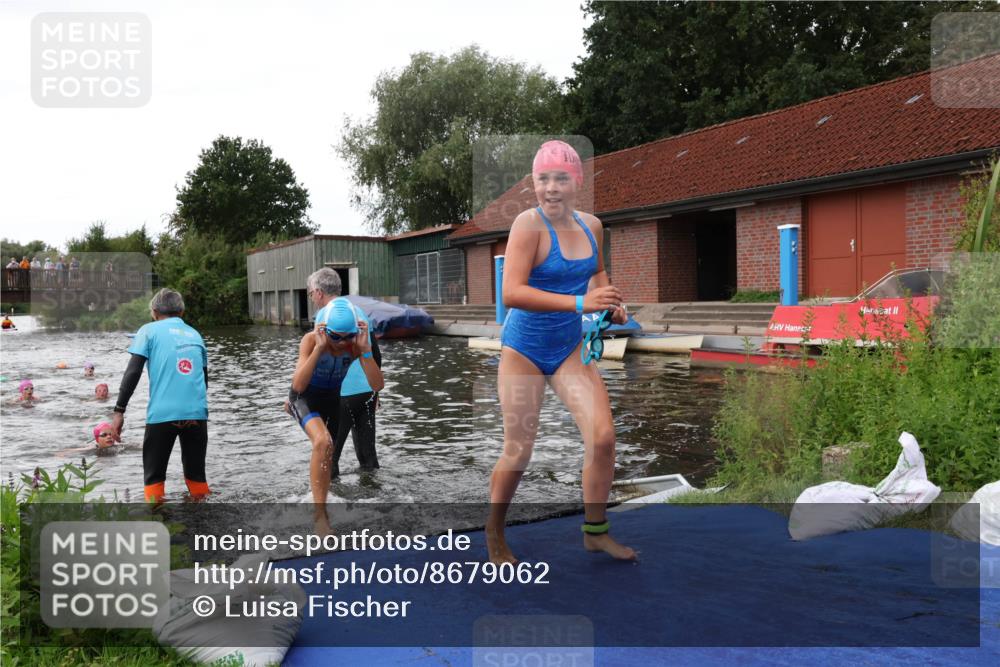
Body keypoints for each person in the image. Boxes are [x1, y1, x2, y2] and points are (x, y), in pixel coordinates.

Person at [487, 140, 635, 564]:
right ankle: (494, 533)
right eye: (543, 179)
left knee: (603, 438)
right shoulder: (526, 226)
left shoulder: (592, 227)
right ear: (534, 183)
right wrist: (581, 303)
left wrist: (610, 304)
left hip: (568, 348)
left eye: (561, 179)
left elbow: (597, 275)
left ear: (578, 183)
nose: (551, 188)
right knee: (519, 449)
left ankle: (595, 532)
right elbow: (511, 293)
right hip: (523, 350)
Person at [288, 293, 383, 534]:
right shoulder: (311, 340)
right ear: (324, 330)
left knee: (328, 453)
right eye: (335, 337)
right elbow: (298, 385)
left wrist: (366, 352)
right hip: (304, 398)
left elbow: (377, 385)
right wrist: (319, 349)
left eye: (347, 336)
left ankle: (320, 500)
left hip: (333, 399)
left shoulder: (356, 345)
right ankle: (320, 517)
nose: (341, 343)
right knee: (322, 441)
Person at [110, 288, 209, 503]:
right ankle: (202, 520)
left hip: (162, 414)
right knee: (196, 478)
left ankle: (157, 518)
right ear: (181, 312)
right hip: (196, 414)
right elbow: (204, 380)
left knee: (154, 478)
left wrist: (119, 411)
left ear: (154, 312)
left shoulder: (148, 330)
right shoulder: (195, 334)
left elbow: (133, 372)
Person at [331, 299, 383, 477]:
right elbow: (376, 354)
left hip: (341, 396)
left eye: (311, 294)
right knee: (369, 459)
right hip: (367, 393)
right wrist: (376, 393)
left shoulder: (326, 317)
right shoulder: (359, 313)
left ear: (318, 293)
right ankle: (373, 490)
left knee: (330, 458)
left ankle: (330, 494)